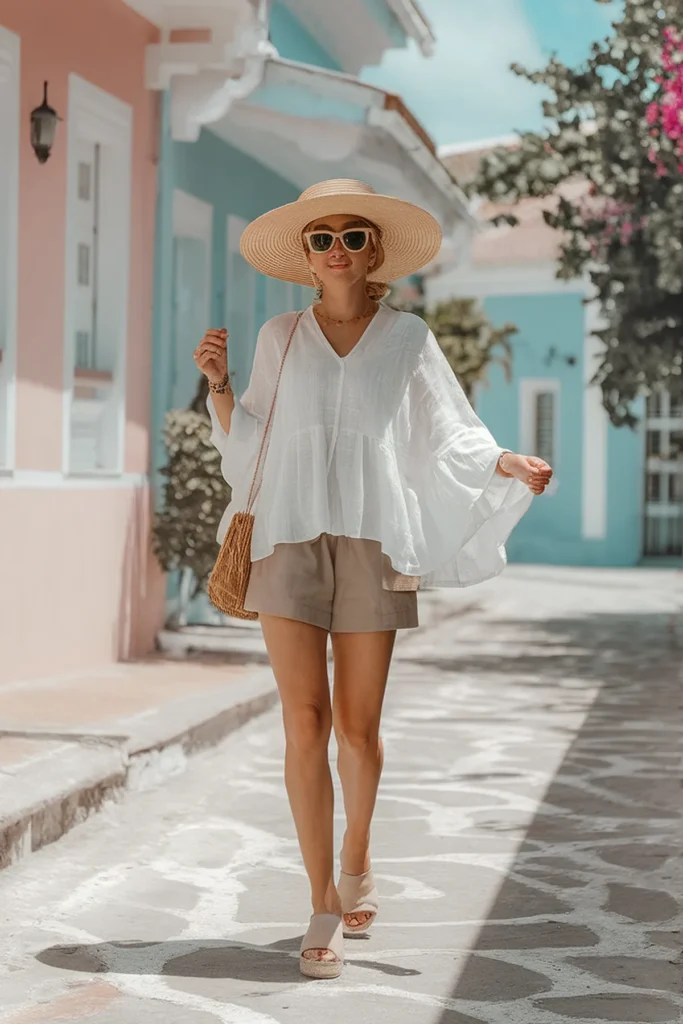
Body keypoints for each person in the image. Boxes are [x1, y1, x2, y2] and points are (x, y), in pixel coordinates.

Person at [193, 179, 552, 979]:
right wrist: (218, 383)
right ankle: (323, 898)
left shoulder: (409, 337)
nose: (336, 250)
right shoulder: (279, 337)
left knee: (358, 731)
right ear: (307, 258)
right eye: (321, 239)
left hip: (374, 543)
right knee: (303, 723)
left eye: (352, 236)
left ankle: (357, 856)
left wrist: (503, 460)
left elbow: (447, 432)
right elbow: (247, 441)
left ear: (374, 252)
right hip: (286, 537)